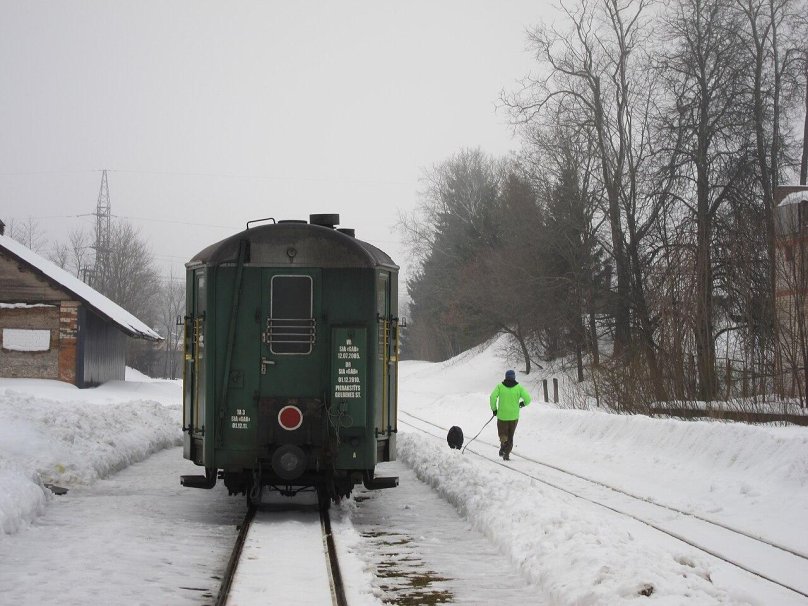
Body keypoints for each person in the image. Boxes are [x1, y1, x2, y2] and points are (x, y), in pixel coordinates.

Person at [489, 369, 532, 460]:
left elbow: (492, 397)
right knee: (511, 436)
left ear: (506, 377)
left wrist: (494, 409)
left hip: (502, 416)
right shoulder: (519, 387)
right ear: (514, 377)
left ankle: (503, 442)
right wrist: (521, 404)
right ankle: (506, 455)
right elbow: (528, 399)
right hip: (514, 417)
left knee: (503, 434)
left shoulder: (500, 386)